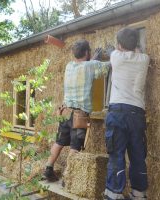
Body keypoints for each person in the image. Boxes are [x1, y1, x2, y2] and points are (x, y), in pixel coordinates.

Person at [43, 39, 111, 182]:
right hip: (79, 115)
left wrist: (92, 60)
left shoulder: (69, 66)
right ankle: (68, 177)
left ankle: (48, 168)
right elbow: (108, 67)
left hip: (65, 111)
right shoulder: (91, 65)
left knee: (59, 142)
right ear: (87, 52)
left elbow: (84, 67)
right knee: (75, 146)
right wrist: (111, 54)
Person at [104, 28, 150, 200]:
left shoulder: (115, 57)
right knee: (138, 155)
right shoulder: (144, 60)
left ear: (119, 45)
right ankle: (139, 194)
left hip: (118, 113)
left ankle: (114, 194)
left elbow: (113, 50)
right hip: (137, 113)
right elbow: (136, 51)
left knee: (116, 155)